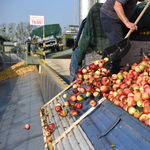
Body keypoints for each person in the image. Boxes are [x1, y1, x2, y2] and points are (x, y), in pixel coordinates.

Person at [100, 0, 147, 74]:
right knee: (118, 44)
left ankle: (111, 69)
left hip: (119, 18)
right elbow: (117, 5)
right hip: (111, 16)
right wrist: (127, 23)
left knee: (119, 42)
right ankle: (110, 71)